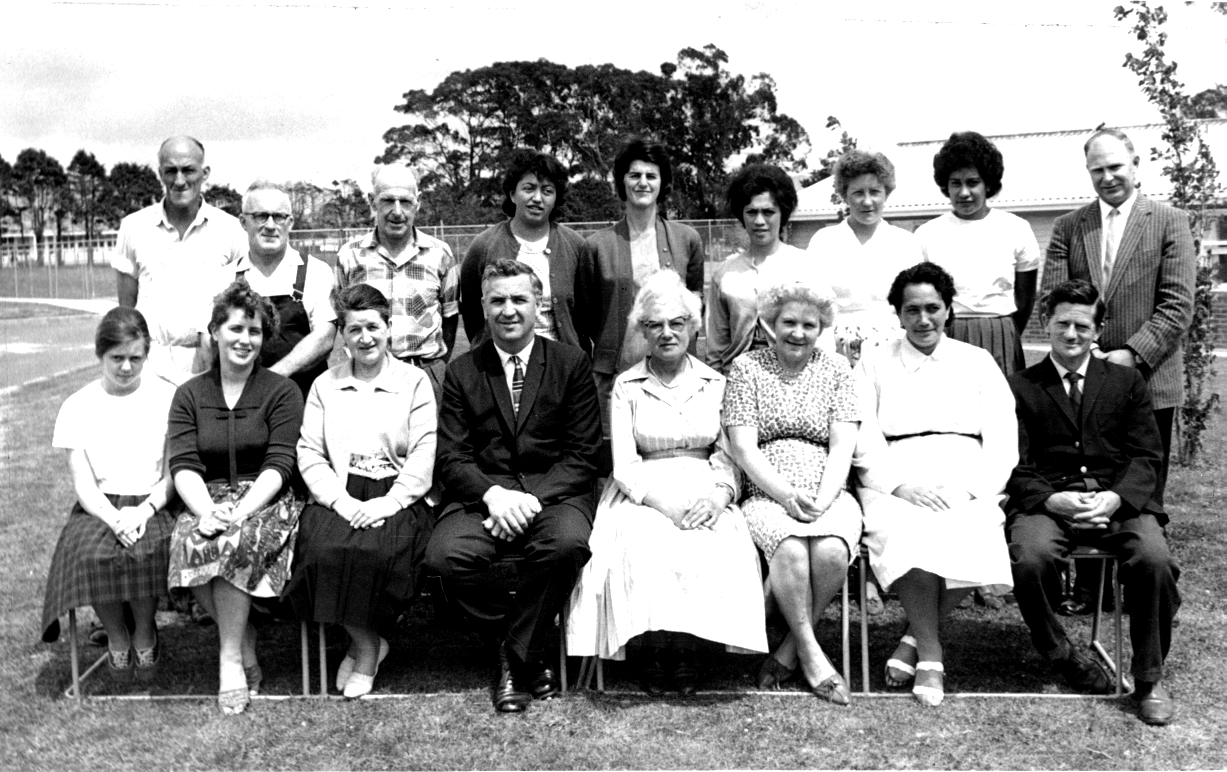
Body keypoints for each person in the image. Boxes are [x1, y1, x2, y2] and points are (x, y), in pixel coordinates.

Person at [566, 272, 765, 695]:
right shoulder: (627, 385)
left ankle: (688, 649)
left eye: (677, 322)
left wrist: (719, 496)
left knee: (713, 541)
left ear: (694, 327)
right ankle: (654, 648)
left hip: (704, 482)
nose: (667, 333)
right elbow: (624, 463)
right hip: (643, 489)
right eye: (654, 325)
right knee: (643, 542)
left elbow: (728, 456)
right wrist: (663, 504)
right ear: (642, 330)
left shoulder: (716, 383)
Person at [426, 259, 601, 714]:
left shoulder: (571, 362)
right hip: (485, 494)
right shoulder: (463, 371)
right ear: (482, 307)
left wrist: (525, 501)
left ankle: (513, 657)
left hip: (554, 493)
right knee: (444, 559)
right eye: (497, 300)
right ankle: (530, 642)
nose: (508, 310)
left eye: (519, 299)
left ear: (538, 304)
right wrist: (493, 496)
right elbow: (452, 457)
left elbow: (582, 455)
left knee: (566, 545)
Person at [1006, 279, 1180, 726]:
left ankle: (1148, 678)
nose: (1071, 334)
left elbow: (1147, 456)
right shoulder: (1020, 386)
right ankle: (1060, 652)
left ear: (1098, 330)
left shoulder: (1126, 381)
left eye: (1082, 326)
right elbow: (1013, 463)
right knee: (1031, 558)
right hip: (1048, 499)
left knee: (1154, 559)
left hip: (1118, 499)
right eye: (1062, 323)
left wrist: (1117, 498)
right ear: (1046, 323)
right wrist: (1051, 499)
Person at [1042, 128, 1195, 616]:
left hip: (1149, 379)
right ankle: (1090, 588)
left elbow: (1177, 304)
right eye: (1097, 169)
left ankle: (1145, 584)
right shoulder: (1071, 226)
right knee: (1084, 474)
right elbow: (1056, 295)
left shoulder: (1170, 221)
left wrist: (1130, 354)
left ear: (1135, 163)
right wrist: (1084, 354)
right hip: (1082, 376)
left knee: (1139, 485)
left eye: (1115, 166)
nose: (1107, 177)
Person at [854, 262, 1017, 707]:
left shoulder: (976, 361)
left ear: (948, 310)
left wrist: (972, 489)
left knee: (974, 525)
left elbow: (1003, 439)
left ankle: (913, 637)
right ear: (898, 314)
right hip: (895, 471)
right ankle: (931, 651)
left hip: (965, 472)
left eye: (933, 308)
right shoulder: (874, 362)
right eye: (912, 310)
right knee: (905, 528)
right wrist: (899, 485)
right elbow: (863, 435)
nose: (923, 320)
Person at [284, 284, 437, 699]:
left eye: (373, 327)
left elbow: (425, 453)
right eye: (354, 330)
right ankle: (368, 643)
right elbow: (310, 452)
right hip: (340, 490)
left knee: (376, 550)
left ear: (389, 328)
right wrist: (341, 500)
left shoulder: (414, 382)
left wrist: (389, 502)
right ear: (344, 337)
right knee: (322, 551)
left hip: (398, 493)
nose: (365, 338)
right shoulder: (324, 386)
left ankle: (363, 649)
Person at [166, 281, 305, 714]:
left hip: (266, 499)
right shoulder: (189, 393)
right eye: (236, 329)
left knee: (235, 542)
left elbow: (279, 465)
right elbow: (184, 464)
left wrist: (238, 512)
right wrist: (207, 511)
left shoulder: (281, 392)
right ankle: (242, 643)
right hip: (205, 498)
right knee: (190, 542)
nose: (245, 339)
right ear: (215, 332)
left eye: (255, 331)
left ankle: (228, 661)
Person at [723, 280, 862, 706]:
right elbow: (743, 448)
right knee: (791, 550)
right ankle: (812, 654)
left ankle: (788, 650)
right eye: (789, 323)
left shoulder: (837, 370)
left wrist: (822, 498)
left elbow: (842, 446)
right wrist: (785, 496)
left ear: (822, 328)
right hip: (767, 489)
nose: (797, 333)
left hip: (828, 488)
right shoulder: (747, 368)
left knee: (833, 551)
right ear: (769, 323)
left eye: (809, 324)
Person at [40, 308, 178, 683]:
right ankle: (117, 635)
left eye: (136, 358)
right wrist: (114, 517)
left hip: (154, 501)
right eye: (117, 358)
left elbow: (172, 474)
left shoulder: (169, 397)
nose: (126, 368)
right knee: (91, 553)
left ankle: (145, 631)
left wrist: (144, 510)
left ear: (147, 355)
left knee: (147, 549)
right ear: (99, 355)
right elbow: (83, 485)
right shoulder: (76, 406)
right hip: (99, 506)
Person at [581, 138, 706, 439]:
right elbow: (585, 316)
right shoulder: (597, 245)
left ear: (662, 184)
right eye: (634, 175)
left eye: (651, 176)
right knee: (612, 461)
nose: (643, 183)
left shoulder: (687, 239)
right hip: (615, 377)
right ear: (621, 181)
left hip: (675, 377)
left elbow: (695, 311)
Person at [112, 136, 247, 385]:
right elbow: (126, 311)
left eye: (188, 170)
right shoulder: (133, 227)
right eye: (171, 171)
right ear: (160, 174)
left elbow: (243, 305)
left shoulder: (231, 230)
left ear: (205, 173)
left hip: (210, 364)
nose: (179, 180)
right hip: (151, 363)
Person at [915, 131, 1039, 377]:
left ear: (988, 184)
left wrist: (1005, 333)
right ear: (945, 186)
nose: (963, 193)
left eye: (972, 182)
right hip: (947, 332)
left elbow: (1025, 299)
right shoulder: (927, 234)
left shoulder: (1016, 228)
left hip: (1000, 332)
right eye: (955, 183)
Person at [334, 165, 460, 403]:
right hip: (367, 377)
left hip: (426, 375)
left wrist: (436, 368)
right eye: (388, 200)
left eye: (405, 201)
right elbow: (342, 319)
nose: (397, 211)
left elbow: (451, 318)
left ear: (418, 202)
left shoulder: (440, 254)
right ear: (372, 202)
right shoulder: (349, 256)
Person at [460, 151, 590, 353]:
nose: (537, 198)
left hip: (564, 367)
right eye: (529, 189)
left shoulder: (576, 246)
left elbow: (586, 314)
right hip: (502, 365)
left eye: (547, 191)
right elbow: (472, 313)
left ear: (556, 198)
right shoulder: (484, 245)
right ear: (512, 194)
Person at [806, 149, 924, 368]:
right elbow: (814, 306)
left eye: (875, 192)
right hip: (836, 351)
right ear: (844, 194)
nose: (867, 201)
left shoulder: (906, 243)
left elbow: (916, 304)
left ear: (886, 193)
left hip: (895, 350)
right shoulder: (823, 241)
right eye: (858, 192)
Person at [234, 180, 336, 397]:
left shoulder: (315, 272)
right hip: (243, 399)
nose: (270, 225)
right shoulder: (226, 278)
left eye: (279, 217)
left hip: (305, 399)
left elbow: (325, 337)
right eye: (260, 216)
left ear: (290, 223)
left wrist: (273, 377)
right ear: (243, 221)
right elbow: (210, 343)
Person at [706, 163, 809, 375]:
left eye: (768, 212)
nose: (759, 221)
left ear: (783, 213)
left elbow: (819, 337)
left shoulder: (804, 265)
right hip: (736, 382)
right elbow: (716, 346)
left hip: (791, 383)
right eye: (751, 212)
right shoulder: (725, 273)